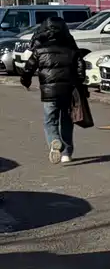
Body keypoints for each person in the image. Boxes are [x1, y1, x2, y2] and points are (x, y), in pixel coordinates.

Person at [20, 17, 86, 164]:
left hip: (49, 92)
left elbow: (28, 69)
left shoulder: (39, 49)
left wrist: (26, 82)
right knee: (67, 121)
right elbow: (81, 68)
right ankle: (66, 154)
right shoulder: (71, 46)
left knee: (50, 121)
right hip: (68, 91)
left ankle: (54, 141)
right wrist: (79, 83)